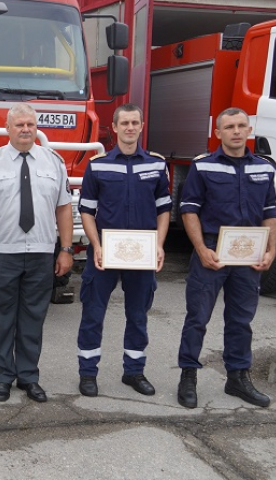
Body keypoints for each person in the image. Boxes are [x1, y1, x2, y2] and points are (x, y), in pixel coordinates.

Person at [0, 103, 74, 403]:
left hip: (41, 251)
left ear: (36, 127)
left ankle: (28, 376)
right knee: (2, 318)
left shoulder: (53, 161)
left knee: (33, 318)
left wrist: (66, 249)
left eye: (30, 124)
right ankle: (3, 377)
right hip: (1, 252)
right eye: (19, 125)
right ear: (8, 128)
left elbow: (64, 208)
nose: (25, 129)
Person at [177, 107, 276, 409]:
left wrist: (271, 249)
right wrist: (200, 249)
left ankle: (237, 378)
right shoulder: (203, 166)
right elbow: (189, 210)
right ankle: (188, 376)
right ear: (218, 132)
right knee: (197, 318)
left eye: (241, 125)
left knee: (241, 320)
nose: (236, 131)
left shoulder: (263, 168)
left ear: (249, 130)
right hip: (212, 251)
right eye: (230, 126)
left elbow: (270, 212)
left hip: (249, 254)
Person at [75, 104, 171, 398]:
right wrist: (96, 245)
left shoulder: (156, 165)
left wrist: (159, 245)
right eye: (124, 123)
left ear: (141, 126)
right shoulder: (98, 165)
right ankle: (88, 373)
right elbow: (87, 211)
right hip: (105, 254)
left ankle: (134, 372)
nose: (130, 127)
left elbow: (163, 210)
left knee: (138, 316)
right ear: (114, 128)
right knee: (93, 315)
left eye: (135, 122)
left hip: (142, 254)